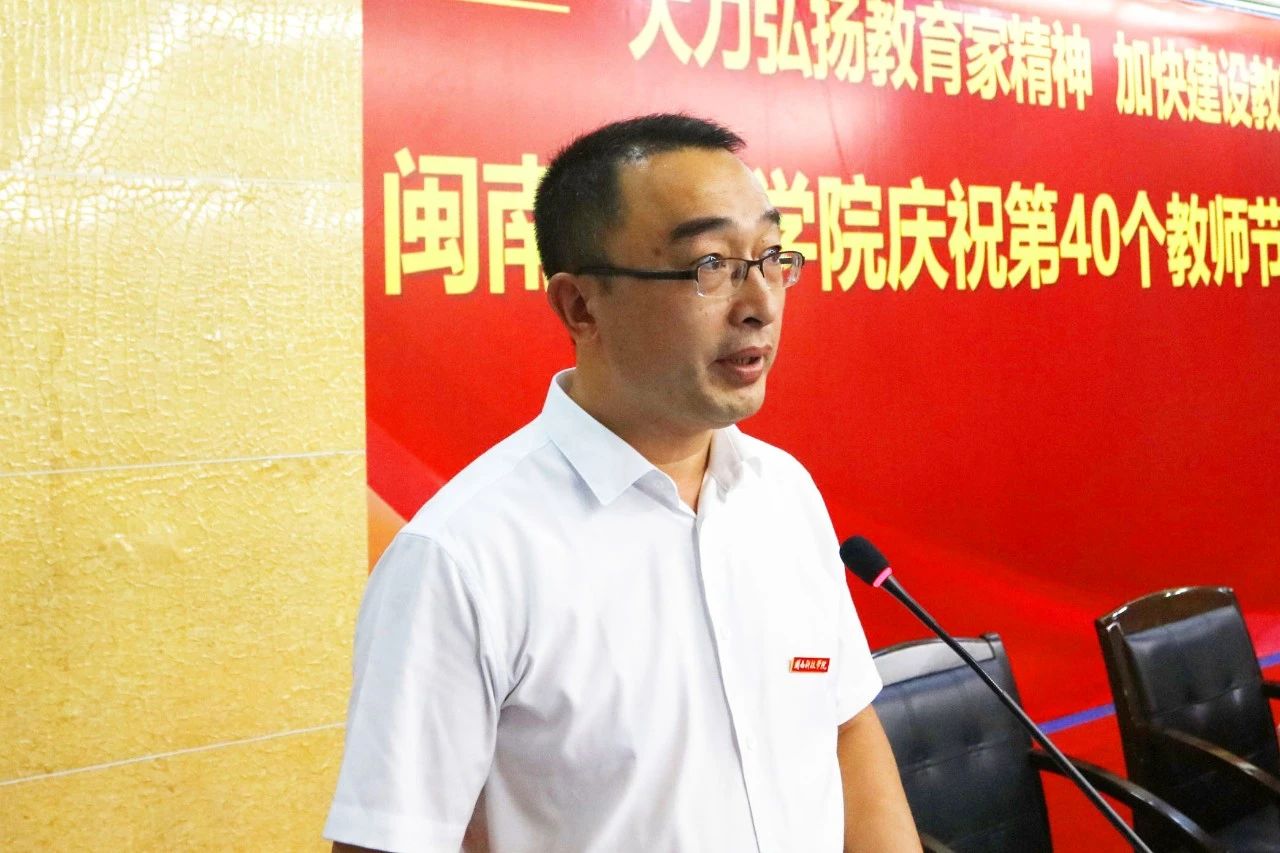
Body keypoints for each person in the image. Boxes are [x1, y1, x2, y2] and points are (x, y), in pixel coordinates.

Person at [325, 114, 919, 853]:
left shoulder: (783, 494)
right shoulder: (461, 558)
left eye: (771, 257)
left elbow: (845, 730)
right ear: (581, 306)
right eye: (710, 264)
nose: (760, 303)